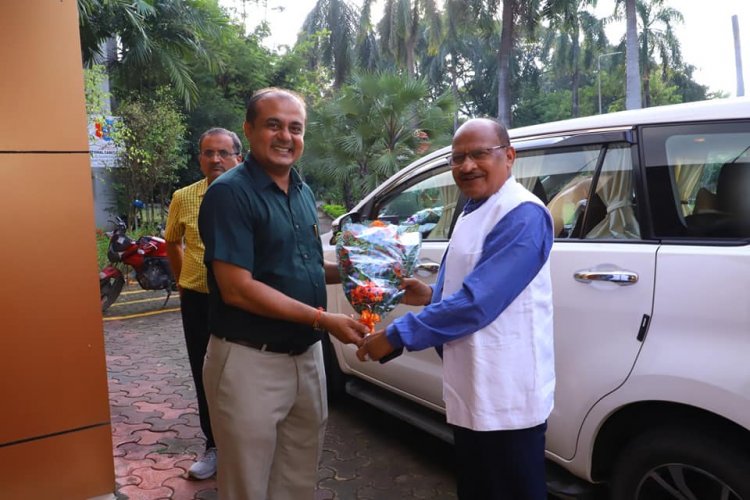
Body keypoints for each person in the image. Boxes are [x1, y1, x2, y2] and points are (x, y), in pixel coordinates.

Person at [357, 118, 555, 500]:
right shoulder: (475, 208)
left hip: (506, 391)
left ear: (508, 156)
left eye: (480, 154)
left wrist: (396, 337)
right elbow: (472, 283)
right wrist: (431, 294)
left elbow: (478, 302)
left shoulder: (522, 214)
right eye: (457, 157)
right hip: (474, 383)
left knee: (511, 489)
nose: (466, 166)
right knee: (478, 486)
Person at [198, 88, 370, 499]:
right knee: (247, 487)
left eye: (295, 128)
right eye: (273, 125)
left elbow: (306, 267)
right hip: (248, 362)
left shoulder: (302, 191)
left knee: (297, 481)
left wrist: (363, 275)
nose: (285, 136)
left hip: (307, 359)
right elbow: (237, 289)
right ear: (250, 129)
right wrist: (323, 319)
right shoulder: (229, 194)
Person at [164, 127, 243, 480]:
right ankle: (214, 445)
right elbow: (172, 241)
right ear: (199, 158)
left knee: (245, 371)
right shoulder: (184, 196)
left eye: (223, 152)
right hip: (198, 299)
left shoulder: (250, 194)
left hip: (241, 299)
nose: (215, 159)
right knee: (204, 371)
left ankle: (246, 445)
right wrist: (184, 282)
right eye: (208, 153)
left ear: (237, 157)